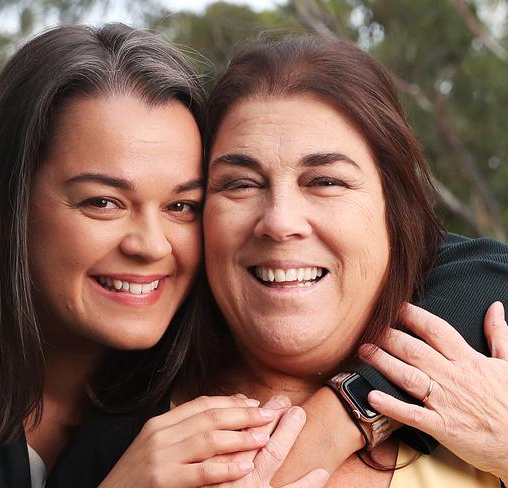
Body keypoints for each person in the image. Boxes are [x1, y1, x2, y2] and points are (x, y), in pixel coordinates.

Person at [48, 34, 508, 487]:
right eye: (241, 184)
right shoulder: (123, 458)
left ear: (394, 211)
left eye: (325, 180)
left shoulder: (486, 379)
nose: (279, 221)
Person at [0, 24, 287, 488]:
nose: (151, 245)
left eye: (181, 207)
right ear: (2, 207)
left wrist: (359, 400)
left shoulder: (199, 364)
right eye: (103, 202)